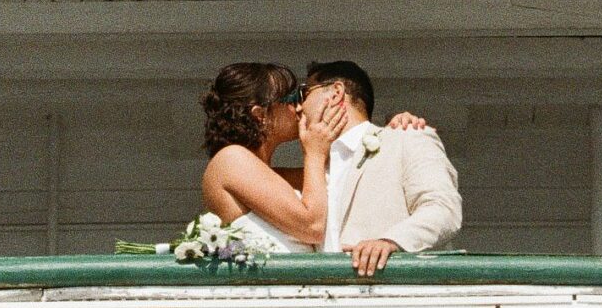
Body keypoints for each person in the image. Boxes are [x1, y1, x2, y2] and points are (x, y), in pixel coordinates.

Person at [198, 62, 440, 257]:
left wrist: (394, 132)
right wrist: (313, 153)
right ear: (261, 115)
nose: (299, 107)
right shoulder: (231, 159)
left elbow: (347, 173)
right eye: (290, 99)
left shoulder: (273, 175)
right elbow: (312, 227)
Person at [298, 59, 462, 279]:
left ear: (336, 93)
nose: (298, 107)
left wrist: (390, 241)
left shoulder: (407, 137)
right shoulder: (314, 166)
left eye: (304, 93)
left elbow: (443, 209)